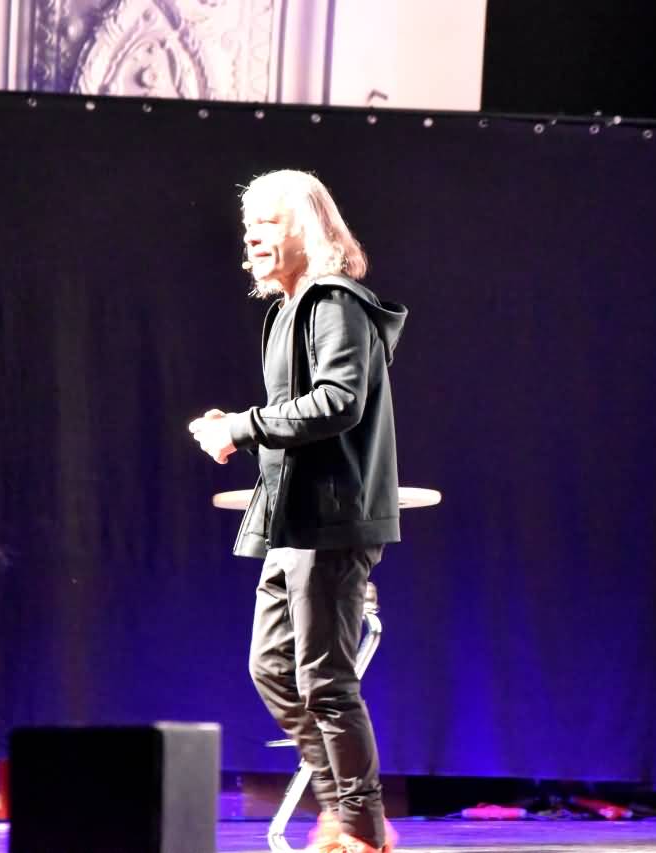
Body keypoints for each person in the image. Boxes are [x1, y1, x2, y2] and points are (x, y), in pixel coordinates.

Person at [189, 170, 407, 853]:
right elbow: (298, 412)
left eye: (268, 222)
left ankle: (361, 827)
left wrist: (242, 427)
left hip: (331, 518)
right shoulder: (288, 311)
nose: (252, 236)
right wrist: (238, 427)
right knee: (272, 668)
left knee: (326, 680)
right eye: (248, 224)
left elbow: (340, 401)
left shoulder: (333, 302)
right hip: (293, 518)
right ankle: (345, 810)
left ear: (307, 229)